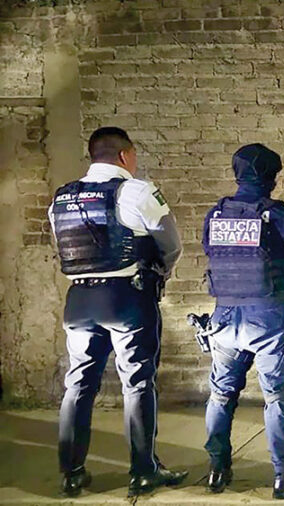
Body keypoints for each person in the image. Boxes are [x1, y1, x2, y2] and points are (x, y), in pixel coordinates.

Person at [49, 127, 186, 496]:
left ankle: (72, 473)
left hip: (79, 300)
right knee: (138, 383)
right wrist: (159, 273)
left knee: (78, 384)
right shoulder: (137, 191)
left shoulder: (61, 198)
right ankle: (144, 471)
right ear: (125, 155)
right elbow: (171, 245)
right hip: (126, 298)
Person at [201, 144, 284, 500]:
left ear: (236, 174)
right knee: (277, 397)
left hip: (224, 317)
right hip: (270, 317)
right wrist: (282, 286)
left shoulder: (216, 215)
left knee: (221, 394)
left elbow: (211, 253)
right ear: (272, 178)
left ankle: (216, 470)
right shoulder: (282, 216)